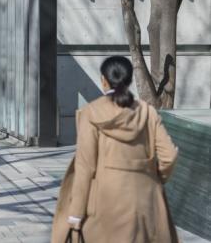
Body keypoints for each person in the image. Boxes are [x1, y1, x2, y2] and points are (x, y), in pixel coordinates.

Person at [51, 56, 179, 243]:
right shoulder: (147, 112)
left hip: (104, 202)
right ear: (129, 80)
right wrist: (154, 179)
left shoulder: (91, 113)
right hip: (144, 201)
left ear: (104, 80)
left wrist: (76, 214)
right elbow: (170, 155)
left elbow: (85, 168)